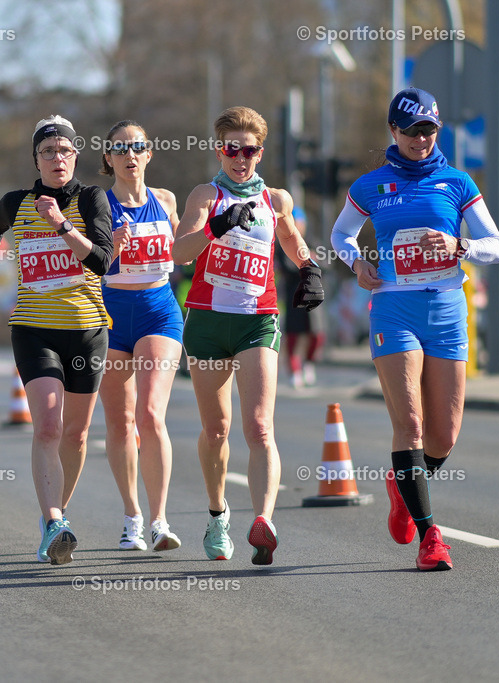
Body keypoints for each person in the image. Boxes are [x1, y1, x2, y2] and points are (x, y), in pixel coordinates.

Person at [330, 87, 499, 571]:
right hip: (394, 309)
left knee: (443, 437)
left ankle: (402, 481)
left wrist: (459, 245)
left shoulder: (458, 182)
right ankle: (431, 537)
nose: (420, 140)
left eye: (428, 131)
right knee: (409, 424)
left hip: (447, 310)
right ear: (393, 131)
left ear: (438, 129)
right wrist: (356, 261)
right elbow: (340, 234)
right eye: (411, 132)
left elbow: (496, 246)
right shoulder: (371, 186)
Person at [172, 106, 324, 565]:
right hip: (207, 321)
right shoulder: (206, 194)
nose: (241, 158)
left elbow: (291, 238)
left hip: (257, 319)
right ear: (219, 150)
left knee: (259, 425)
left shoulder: (276, 200)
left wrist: (309, 268)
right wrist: (216, 226)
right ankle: (217, 513)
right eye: (232, 149)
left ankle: (263, 522)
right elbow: (179, 252)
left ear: (261, 152)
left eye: (250, 150)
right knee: (216, 428)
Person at [0, 115, 113, 565]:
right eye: (48, 151)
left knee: (76, 435)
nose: (58, 158)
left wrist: (60, 225)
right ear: (36, 159)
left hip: (88, 331)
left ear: (76, 155)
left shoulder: (91, 198)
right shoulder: (16, 202)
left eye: (65, 151)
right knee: (49, 427)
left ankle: (56, 514)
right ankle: (54, 521)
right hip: (34, 329)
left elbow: (102, 260)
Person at [97, 120, 183, 552]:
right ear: (108, 158)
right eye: (120, 148)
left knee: (150, 414)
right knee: (120, 421)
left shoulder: (165, 200)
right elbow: (87, 262)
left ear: (149, 153)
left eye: (137, 147)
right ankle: (132, 516)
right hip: (110, 314)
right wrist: (112, 245)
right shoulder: (97, 204)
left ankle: (159, 520)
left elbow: (185, 250)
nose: (129, 155)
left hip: (157, 311)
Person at [276, 207, 326, 388]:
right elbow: (289, 268)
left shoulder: (313, 242)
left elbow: (326, 264)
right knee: (293, 335)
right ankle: (294, 371)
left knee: (317, 334)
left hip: (313, 295)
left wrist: (309, 261)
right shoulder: (282, 246)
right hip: (294, 296)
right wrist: (308, 261)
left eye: (301, 223)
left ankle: (309, 364)